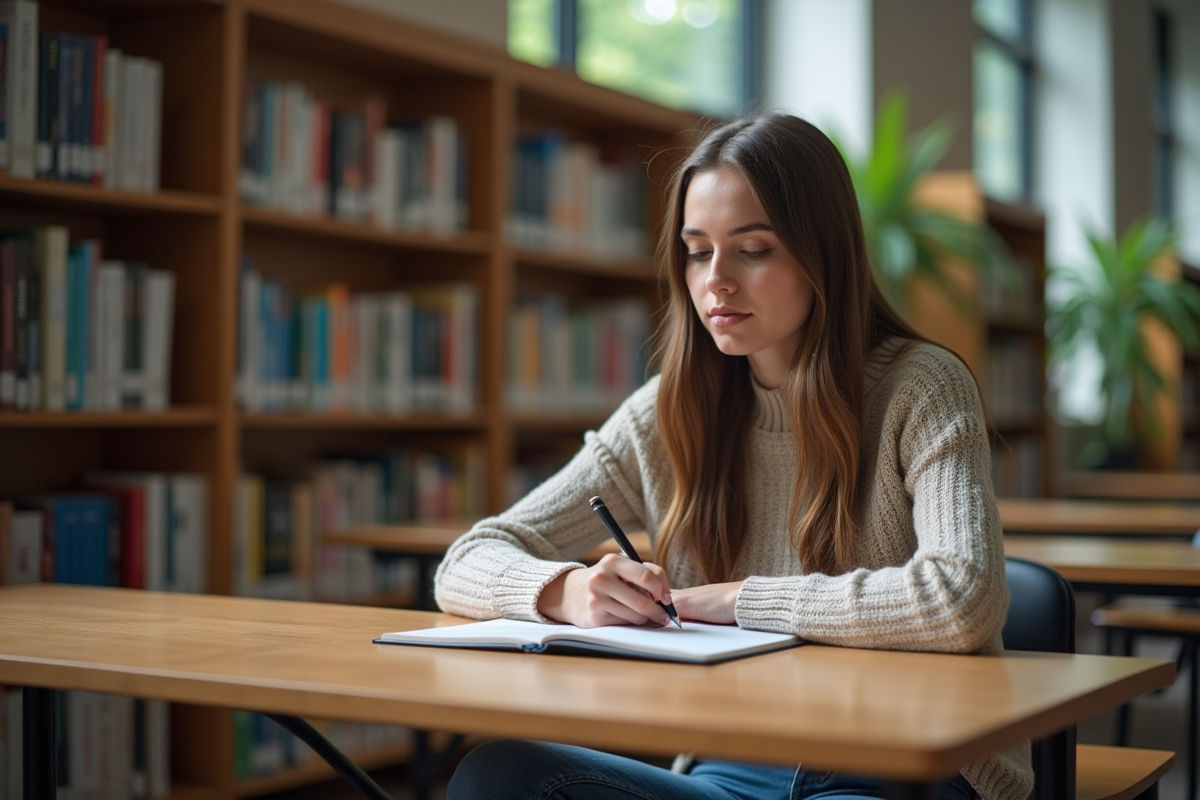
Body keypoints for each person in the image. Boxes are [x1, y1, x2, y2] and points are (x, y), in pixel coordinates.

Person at [434, 115, 1032, 800]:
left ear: (822, 255)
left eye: (752, 250)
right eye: (696, 251)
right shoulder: (671, 409)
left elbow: (961, 601)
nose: (716, 281)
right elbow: (468, 560)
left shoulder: (920, 386)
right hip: (736, 765)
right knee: (498, 775)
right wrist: (569, 592)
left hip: (905, 764)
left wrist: (740, 600)